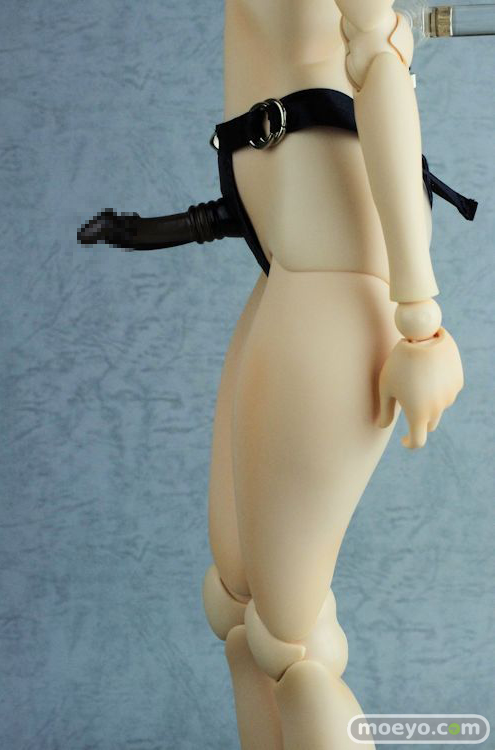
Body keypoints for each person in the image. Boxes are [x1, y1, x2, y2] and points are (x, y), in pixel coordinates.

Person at [201, 1, 469, 748]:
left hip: (338, 274)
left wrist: (420, 318)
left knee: (289, 642)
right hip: (289, 268)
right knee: (237, 606)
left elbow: (380, 59)